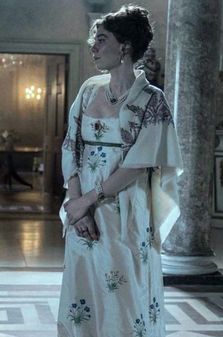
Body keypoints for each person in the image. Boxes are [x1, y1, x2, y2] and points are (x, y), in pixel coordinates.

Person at [57, 4, 182, 337]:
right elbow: (71, 146)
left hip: (124, 212)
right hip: (82, 213)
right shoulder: (87, 92)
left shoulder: (152, 100)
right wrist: (77, 206)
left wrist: (90, 200)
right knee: (81, 295)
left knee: (123, 297)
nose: (93, 47)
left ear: (124, 47)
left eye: (101, 39)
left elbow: (139, 162)